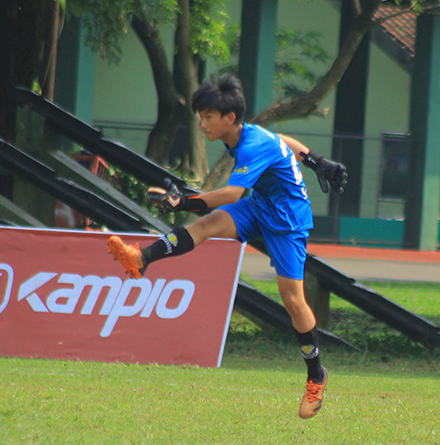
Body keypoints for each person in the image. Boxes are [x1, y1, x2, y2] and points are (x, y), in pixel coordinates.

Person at [106, 73, 347, 419]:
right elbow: (281, 141)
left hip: (288, 220)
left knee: (294, 301)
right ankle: (142, 258)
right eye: (201, 116)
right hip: (261, 206)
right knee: (208, 225)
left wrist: (183, 202)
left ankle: (316, 375)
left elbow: (233, 194)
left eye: (207, 117)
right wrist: (317, 161)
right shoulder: (245, 136)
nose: (202, 123)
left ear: (229, 119)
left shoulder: (250, 145)